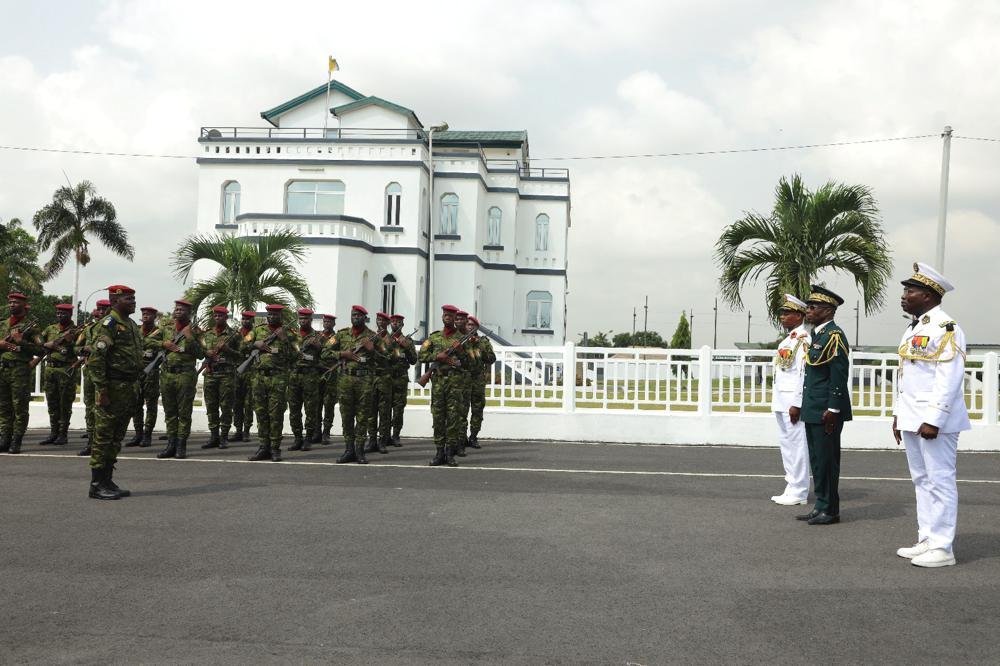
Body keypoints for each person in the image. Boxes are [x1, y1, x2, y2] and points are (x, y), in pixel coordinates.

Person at [892, 262, 970, 568]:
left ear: (928, 295)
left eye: (910, 290)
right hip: (913, 417)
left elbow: (949, 377)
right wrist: (899, 416)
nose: (904, 295)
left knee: (940, 481)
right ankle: (927, 538)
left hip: (934, 421)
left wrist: (933, 418)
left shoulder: (946, 328)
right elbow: (907, 377)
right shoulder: (915, 327)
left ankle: (943, 547)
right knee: (921, 480)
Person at [796, 285, 852, 526]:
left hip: (826, 411)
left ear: (828, 310)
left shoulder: (834, 336)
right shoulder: (818, 335)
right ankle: (820, 504)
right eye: (808, 306)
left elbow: (838, 375)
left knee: (828, 460)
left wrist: (834, 409)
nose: (808, 311)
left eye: (813, 307)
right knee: (817, 459)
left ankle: (830, 509)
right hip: (813, 408)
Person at [86, 285, 142, 500]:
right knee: (103, 437)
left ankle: (107, 479)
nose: (133, 302)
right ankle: (96, 484)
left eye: (133, 298)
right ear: (114, 301)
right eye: (128, 299)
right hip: (112, 388)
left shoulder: (130, 325)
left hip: (128, 388)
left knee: (116, 437)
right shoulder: (108, 324)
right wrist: (102, 390)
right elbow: (96, 359)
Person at [326, 305, 385, 464]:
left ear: (364, 318)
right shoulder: (341, 335)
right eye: (353, 315)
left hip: (364, 381)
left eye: (359, 316)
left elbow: (386, 360)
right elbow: (324, 353)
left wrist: (372, 350)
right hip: (345, 380)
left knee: (362, 416)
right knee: (346, 416)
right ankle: (348, 449)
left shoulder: (373, 336)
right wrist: (342, 354)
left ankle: (359, 450)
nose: (356, 318)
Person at [770, 294, 811, 505]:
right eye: (782, 313)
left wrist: (797, 403)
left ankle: (800, 490)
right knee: (787, 444)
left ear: (799, 315)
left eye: (787, 313)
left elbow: (803, 374)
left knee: (797, 445)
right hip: (781, 400)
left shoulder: (803, 339)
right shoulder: (788, 339)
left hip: (792, 403)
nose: (782, 316)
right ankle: (791, 484)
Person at [419, 304, 472, 466]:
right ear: (442, 317)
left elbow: (471, 364)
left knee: (453, 419)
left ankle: (450, 454)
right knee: (438, 418)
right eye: (445, 315)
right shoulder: (434, 337)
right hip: (438, 383)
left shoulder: (462, 338)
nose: (448, 318)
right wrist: (438, 356)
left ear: (455, 319)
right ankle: (439, 453)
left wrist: (461, 351)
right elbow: (422, 355)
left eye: (451, 316)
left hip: (455, 384)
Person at [244, 304, 296, 462]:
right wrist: (255, 344)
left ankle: (275, 448)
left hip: (278, 379)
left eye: (275, 315)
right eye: (270, 314)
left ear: (281, 317)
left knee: (275, 414)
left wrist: (284, 339)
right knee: (261, 413)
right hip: (259, 378)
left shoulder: (289, 333)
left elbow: (295, 356)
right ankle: (263, 447)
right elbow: (241, 346)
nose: (272, 317)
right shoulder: (257, 331)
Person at [156, 299, 203, 460]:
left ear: (189, 313)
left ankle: (181, 446)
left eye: (182, 310)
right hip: (167, 374)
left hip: (185, 375)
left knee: (183, 412)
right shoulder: (166, 328)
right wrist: (164, 344)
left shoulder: (195, 330)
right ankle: (170, 444)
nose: (178, 312)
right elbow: (148, 341)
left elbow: (201, 354)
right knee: (169, 412)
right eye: (176, 309)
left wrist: (190, 338)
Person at [0, 292, 43, 454]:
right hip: (3, 368)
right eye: (10, 302)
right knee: (4, 406)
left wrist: (21, 342)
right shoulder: (3, 324)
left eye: (16, 302)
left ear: (24, 306)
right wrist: (2, 344)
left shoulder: (32, 328)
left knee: (20, 407)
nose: (12, 305)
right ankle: (5, 439)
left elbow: (41, 349)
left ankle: (16, 441)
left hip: (20, 370)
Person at [37, 303, 79, 446]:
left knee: (65, 403)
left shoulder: (76, 331)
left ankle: (63, 434)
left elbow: (79, 348)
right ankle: (53, 433)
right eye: (58, 313)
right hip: (50, 369)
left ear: (70, 315)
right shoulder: (50, 329)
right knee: (52, 403)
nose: (60, 315)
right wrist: (49, 344)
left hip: (66, 370)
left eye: (63, 313)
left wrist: (70, 344)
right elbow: (39, 342)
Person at [201, 305, 241, 450]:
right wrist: (208, 353)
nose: (217, 318)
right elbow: (201, 352)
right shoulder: (207, 334)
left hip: (227, 375)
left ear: (226, 317)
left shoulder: (234, 335)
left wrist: (227, 350)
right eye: (216, 316)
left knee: (225, 407)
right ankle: (214, 436)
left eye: (221, 316)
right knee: (211, 407)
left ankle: (224, 437)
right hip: (211, 374)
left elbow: (241, 355)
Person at [77, 299, 111, 456]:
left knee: (103, 409)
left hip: (106, 374)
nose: (102, 312)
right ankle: (91, 442)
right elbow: (75, 347)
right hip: (90, 372)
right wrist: (84, 348)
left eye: (105, 309)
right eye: (100, 309)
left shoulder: (114, 328)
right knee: (90, 407)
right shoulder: (89, 328)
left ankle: (102, 443)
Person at [287, 308, 323, 452]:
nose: (303, 321)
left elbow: (326, 356)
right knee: (294, 409)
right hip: (294, 376)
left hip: (310, 376)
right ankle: (297, 438)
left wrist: (318, 347)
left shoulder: (318, 336)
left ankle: (308, 438)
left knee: (310, 409)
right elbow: (286, 354)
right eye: (301, 319)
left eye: (306, 319)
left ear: (311, 320)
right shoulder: (292, 335)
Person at [125, 306, 161, 448]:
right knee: (136, 404)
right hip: (136, 371)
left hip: (151, 372)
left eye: (149, 314)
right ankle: (138, 434)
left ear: (155, 317)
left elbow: (165, 349)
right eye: (144, 314)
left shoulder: (160, 332)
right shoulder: (136, 331)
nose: (146, 316)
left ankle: (147, 435)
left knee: (151, 405)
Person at [464, 316, 495, 449]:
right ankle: (461, 437)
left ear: (476, 327)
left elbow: (492, 358)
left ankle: (473, 437)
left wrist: (480, 347)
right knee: (462, 410)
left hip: (477, 380)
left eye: (472, 325)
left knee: (477, 410)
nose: (469, 326)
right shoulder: (460, 339)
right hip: (463, 380)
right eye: (468, 324)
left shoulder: (483, 342)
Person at [387, 313, 417, 446]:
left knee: (398, 409)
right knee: (384, 408)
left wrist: (406, 347)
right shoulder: (384, 339)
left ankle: (396, 435)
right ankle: (384, 435)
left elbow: (413, 360)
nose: (395, 324)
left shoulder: (408, 341)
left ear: (402, 325)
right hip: (386, 378)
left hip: (400, 379)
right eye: (393, 322)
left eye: (398, 322)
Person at [367, 311, 394, 455]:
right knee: (371, 411)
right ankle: (371, 440)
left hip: (384, 378)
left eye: (384, 321)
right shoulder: (371, 336)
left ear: (388, 323)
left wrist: (373, 351)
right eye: (378, 320)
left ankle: (382, 441)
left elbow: (389, 357)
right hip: (371, 378)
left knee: (384, 412)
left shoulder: (390, 340)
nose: (380, 323)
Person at [232, 311, 256, 442]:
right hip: (237, 370)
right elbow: (236, 351)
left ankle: (246, 431)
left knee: (248, 403)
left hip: (251, 371)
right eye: (243, 319)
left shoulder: (257, 333)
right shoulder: (236, 334)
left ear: (252, 321)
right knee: (237, 403)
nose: (245, 321)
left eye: (248, 319)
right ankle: (238, 430)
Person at [452, 309, 472, 456]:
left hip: (464, 381)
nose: (458, 321)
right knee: (449, 415)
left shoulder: (469, 339)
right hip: (448, 381)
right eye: (456, 319)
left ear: (466, 321)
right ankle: (449, 444)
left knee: (461, 414)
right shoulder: (447, 336)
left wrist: (461, 351)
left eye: (461, 319)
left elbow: (473, 361)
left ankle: (460, 444)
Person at [318, 314, 338, 444]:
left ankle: (326, 432)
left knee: (329, 404)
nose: (327, 323)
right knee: (316, 404)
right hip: (317, 373)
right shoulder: (317, 336)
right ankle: (316, 431)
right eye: (325, 321)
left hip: (331, 373)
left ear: (333, 324)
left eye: (329, 322)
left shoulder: (337, 338)